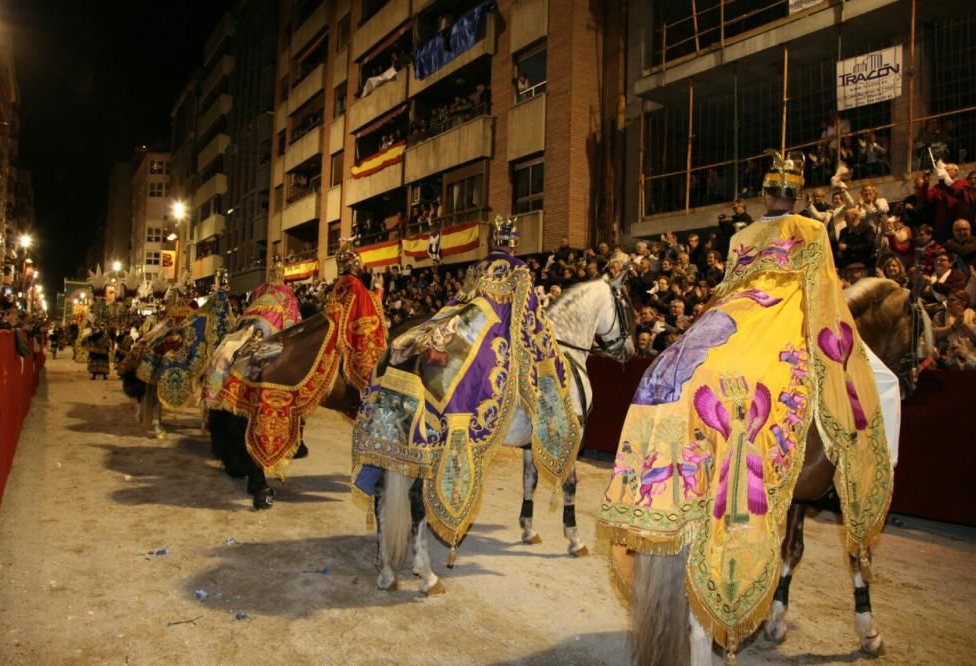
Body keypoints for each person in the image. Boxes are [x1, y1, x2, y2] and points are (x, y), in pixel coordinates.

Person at [597, 150, 896, 654]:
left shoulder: (741, 237)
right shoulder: (810, 232)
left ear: (764, 196)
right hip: (780, 323)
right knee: (872, 386)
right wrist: (840, 357)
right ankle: (855, 457)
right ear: (797, 195)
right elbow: (824, 296)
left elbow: (724, 294)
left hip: (728, 323)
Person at [353, 215, 583, 546]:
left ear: (493, 245)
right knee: (523, 371)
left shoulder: (477, 269)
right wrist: (547, 359)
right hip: (493, 335)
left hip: (461, 324)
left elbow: (458, 304)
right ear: (514, 245)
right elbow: (527, 319)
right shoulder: (519, 271)